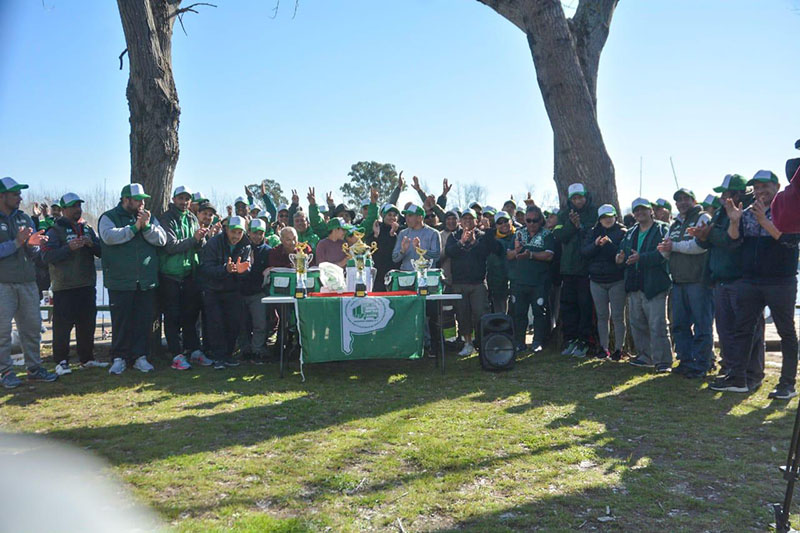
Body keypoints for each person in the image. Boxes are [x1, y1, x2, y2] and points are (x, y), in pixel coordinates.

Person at [711, 170, 800, 398]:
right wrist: (734, 221)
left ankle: (787, 384)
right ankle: (738, 379)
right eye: (757, 187)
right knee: (743, 329)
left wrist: (764, 221)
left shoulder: (788, 209)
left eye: (765, 186)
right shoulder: (747, 212)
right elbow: (734, 241)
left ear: (777, 187)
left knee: (786, 332)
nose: (761, 191)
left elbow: (790, 242)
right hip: (750, 280)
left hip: (781, 281)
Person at [690, 173, 764, 386]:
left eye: (725, 193)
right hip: (721, 281)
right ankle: (732, 371)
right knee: (726, 331)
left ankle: (753, 374)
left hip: (743, 280)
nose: (722, 198)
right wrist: (702, 237)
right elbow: (710, 242)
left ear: (738, 193)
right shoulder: (721, 213)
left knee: (749, 331)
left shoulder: (749, 211)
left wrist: (710, 235)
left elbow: (731, 241)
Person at [99, 183, 167, 375]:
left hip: (145, 281)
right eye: (137, 200)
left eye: (143, 200)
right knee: (121, 322)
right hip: (120, 280)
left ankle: (140, 357)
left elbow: (162, 239)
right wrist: (135, 227)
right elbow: (109, 237)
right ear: (125, 200)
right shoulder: (109, 217)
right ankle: (119, 358)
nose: (141, 203)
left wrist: (146, 227)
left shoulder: (148, 217)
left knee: (143, 321)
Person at [0, 177, 58, 388]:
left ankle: (34, 369)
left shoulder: (25, 219)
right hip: (3, 284)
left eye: (19, 193)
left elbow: (33, 253)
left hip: (27, 282)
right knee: (2, 332)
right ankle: (5, 372)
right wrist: (18, 242)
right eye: (15, 194)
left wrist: (33, 245)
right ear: (2, 196)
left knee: (32, 328)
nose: (20, 198)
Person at [41, 193, 106, 375]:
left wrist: (91, 244)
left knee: (87, 325)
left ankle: (87, 359)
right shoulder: (54, 231)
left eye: (79, 205)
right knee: (62, 328)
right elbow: (46, 256)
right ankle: (61, 361)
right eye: (73, 206)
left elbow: (102, 252)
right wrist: (68, 248)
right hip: (64, 287)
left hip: (86, 285)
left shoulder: (87, 228)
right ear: (63, 210)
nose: (78, 209)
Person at [657, 188, 713, 377]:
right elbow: (666, 251)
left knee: (702, 325)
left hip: (698, 281)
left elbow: (699, 246)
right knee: (679, 325)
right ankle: (685, 361)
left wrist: (673, 246)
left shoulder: (703, 217)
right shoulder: (674, 224)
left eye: (686, 199)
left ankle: (703, 363)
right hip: (678, 281)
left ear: (694, 201)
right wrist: (665, 249)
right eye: (679, 200)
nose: (682, 202)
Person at [616, 198, 672, 372]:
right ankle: (645, 357)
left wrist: (642, 258)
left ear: (651, 211)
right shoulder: (630, 232)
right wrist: (619, 258)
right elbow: (622, 251)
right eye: (637, 210)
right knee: (637, 323)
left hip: (655, 285)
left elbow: (663, 254)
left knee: (657, 325)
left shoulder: (662, 229)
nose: (640, 213)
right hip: (635, 285)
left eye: (643, 209)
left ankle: (663, 361)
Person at [158, 186, 210, 371]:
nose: (184, 202)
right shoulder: (166, 218)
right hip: (170, 275)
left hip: (189, 274)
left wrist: (201, 239)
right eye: (180, 198)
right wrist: (194, 239)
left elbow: (198, 245)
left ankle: (194, 350)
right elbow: (170, 246)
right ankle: (176, 354)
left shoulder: (192, 218)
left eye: (187, 199)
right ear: (174, 199)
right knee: (172, 317)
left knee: (190, 316)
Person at [199, 216, 251, 369]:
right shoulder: (213, 243)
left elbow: (247, 266)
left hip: (233, 290)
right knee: (216, 324)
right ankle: (218, 357)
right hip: (213, 290)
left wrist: (243, 270)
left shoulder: (246, 245)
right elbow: (206, 268)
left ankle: (228, 355)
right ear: (226, 230)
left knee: (233, 323)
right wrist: (225, 269)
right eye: (233, 232)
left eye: (239, 232)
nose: (236, 236)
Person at [553, 183, 597, 357]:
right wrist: (572, 225)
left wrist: (580, 226)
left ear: (586, 196)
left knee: (585, 306)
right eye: (575, 198)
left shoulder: (593, 212)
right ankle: (570, 339)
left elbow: (592, 234)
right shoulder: (563, 214)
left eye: (580, 197)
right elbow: (558, 235)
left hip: (586, 268)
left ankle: (585, 341)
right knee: (568, 306)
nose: (578, 201)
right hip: (568, 268)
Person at [504, 205, 555, 352]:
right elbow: (508, 255)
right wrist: (517, 251)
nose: (532, 223)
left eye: (535, 220)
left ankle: (537, 341)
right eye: (528, 220)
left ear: (540, 220)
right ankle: (519, 342)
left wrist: (531, 255)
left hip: (539, 282)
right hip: (519, 282)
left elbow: (549, 255)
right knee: (519, 313)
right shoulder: (518, 234)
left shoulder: (547, 235)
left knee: (539, 312)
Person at [445, 209, 494, 356]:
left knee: (481, 314)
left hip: (478, 283)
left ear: (476, 221)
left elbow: (485, 253)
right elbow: (449, 252)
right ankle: (468, 343)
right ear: (460, 221)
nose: (467, 221)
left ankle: (483, 343)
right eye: (465, 218)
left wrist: (473, 242)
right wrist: (461, 242)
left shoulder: (482, 236)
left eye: (470, 218)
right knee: (462, 315)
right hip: (459, 283)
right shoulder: (454, 236)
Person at [581, 204, 627, 360]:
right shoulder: (593, 232)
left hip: (617, 280)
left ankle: (619, 349)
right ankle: (604, 348)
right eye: (603, 217)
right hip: (596, 280)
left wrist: (608, 245)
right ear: (599, 219)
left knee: (618, 316)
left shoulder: (623, 232)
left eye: (610, 216)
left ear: (615, 217)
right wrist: (596, 244)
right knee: (602, 316)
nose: (607, 220)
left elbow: (621, 256)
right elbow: (584, 252)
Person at [239, 219, 271, 363]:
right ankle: (245, 350)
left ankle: (257, 349)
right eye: (254, 233)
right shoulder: (241, 248)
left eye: (260, 233)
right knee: (242, 324)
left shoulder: (268, 251)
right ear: (249, 233)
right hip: (241, 291)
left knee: (260, 324)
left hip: (258, 293)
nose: (257, 236)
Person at [392, 204, 441, 271]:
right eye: (406, 216)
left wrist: (420, 250)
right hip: (406, 274)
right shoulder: (403, 234)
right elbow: (395, 258)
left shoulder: (433, 233)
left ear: (420, 218)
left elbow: (436, 256)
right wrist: (403, 251)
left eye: (410, 216)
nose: (407, 219)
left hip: (426, 274)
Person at [366, 204, 401, 292]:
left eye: (395, 215)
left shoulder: (401, 231)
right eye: (389, 215)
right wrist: (376, 235)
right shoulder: (377, 229)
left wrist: (393, 235)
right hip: (378, 275)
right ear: (383, 216)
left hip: (394, 273)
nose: (392, 218)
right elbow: (371, 251)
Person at [487, 211, 514, 314]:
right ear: (496, 225)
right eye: (500, 222)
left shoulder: (519, 235)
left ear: (511, 221)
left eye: (505, 221)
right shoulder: (491, 238)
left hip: (516, 282)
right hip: (498, 283)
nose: (503, 224)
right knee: (500, 313)